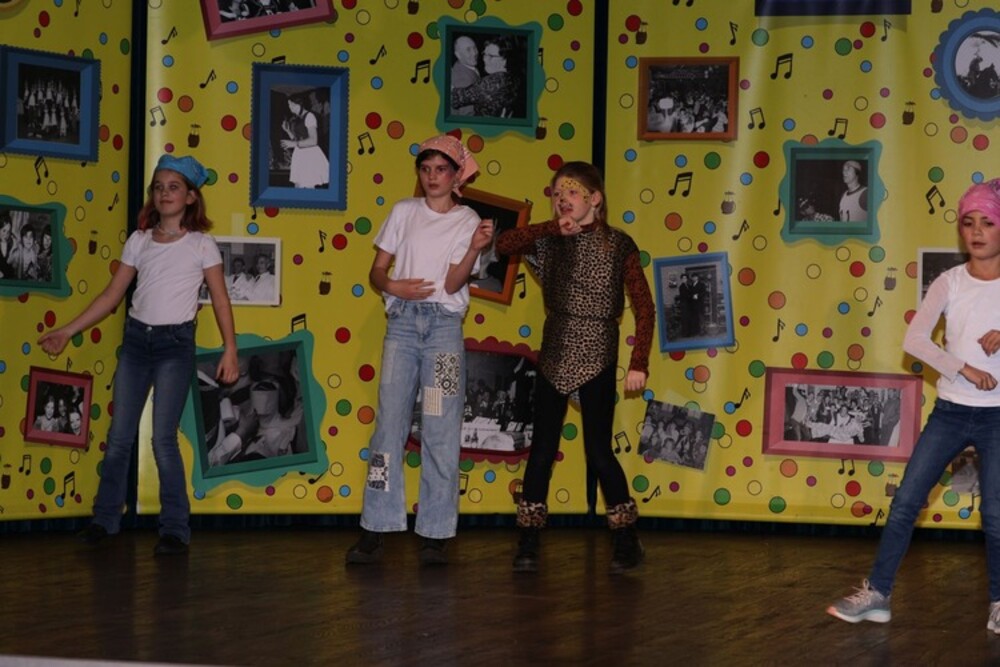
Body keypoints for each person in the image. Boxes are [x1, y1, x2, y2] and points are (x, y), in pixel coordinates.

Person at [38, 154, 238, 557]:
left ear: (191, 197)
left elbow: (220, 300)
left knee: (163, 438)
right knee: (119, 437)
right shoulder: (140, 240)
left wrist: (229, 349)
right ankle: (105, 519)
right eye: (158, 187)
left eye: (174, 187)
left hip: (174, 345)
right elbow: (112, 296)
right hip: (135, 342)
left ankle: (175, 529)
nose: (165, 193)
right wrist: (67, 330)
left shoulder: (202, 245)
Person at [827, 178, 1000, 630]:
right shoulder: (950, 282)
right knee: (905, 501)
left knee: (996, 514)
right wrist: (963, 368)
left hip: (997, 418)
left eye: (987, 222)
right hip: (951, 412)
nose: (976, 231)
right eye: (968, 222)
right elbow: (915, 341)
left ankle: (999, 601)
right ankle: (878, 595)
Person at [496, 161, 655, 574]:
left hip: (598, 350)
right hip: (555, 349)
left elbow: (644, 306)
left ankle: (626, 537)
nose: (562, 199)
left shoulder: (618, 245)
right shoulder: (550, 241)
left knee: (599, 452)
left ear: (594, 198)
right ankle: (529, 536)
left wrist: (639, 361)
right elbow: (504, 243)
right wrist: (552, 229)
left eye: (570, 191)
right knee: (541, 451)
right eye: (556, 193)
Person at [345, 135, 493, 566]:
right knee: (387, 428)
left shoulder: (468, 220)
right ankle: (375, 525)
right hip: (403, 328)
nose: (432, 177)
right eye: (425, 169)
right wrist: (393, 285)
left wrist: (475, 248)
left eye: (441, 169)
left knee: (440, 429)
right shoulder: (403, 211)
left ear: (456, 174)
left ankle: (436, 532)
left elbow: (453, 283)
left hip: (443, 331)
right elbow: (377, 271)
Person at [451, 36, 524, 119]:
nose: (484, 59)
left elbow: (454, 98)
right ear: (458, 55)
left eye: (491, 56)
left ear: (504, 60)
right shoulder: (514, 77)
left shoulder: (489, 84)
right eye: (485, 54)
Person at [279, 92, 329, 189]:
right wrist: (288, 131)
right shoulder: (299, 118)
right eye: (289, 105)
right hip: (301, 154)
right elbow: (299, 140)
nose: (290, 108)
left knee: (307, 186)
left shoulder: (310, 116)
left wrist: (293, 144)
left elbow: (313, 140)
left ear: (299, 104)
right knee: (298, 186)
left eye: (292, 105)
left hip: (309, 156)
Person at [450, 35, 480, 116]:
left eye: (474, 48)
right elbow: (468, 116)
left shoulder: (462, 65)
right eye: (468, 50)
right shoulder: (464, 81)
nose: (474, 53)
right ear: (458, 55)